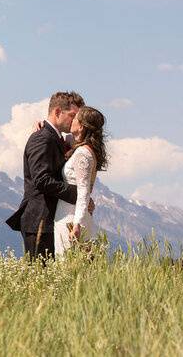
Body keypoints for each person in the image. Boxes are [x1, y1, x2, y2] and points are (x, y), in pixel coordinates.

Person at [5, 91, 92, 261]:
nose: (76, 121)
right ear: (58, 112)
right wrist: (79, 195)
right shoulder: (42, 138)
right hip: (40, 220)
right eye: (73, 116)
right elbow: (42, 180)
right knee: (41, 279)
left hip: (52, 220)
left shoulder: (57, 138)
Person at [53, 106, 108, 258]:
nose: (72, 120)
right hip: (70, 213)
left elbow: (83, 191)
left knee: (68, 264)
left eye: (75, 118)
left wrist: (77, 224)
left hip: (70, 217)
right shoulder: (83, 147)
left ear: (82, 125)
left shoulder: (83, 153)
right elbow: (60, 137)